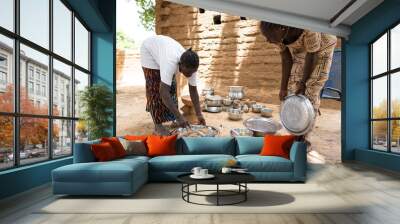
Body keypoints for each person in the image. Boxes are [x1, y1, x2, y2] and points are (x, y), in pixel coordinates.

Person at [259, 21, 337, 146]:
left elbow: (312, 56)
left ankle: (303, 138)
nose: (267, 40)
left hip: (321, 50)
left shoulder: (309, 28)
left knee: (310, 89)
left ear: (281, 28)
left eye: (268, 36)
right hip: (301, 49)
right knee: (292, 86)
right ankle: (295, 130)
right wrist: (283, 88)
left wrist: (303, 83)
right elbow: (286, 59)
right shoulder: (278, 36)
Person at [140, 35, 206, 135]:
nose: (190, 75)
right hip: (149, 51)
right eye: (188, 72)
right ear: (180, 65)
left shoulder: (192, 65)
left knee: (172, 88)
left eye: (192, 72)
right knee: (155, 89)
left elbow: (193, 90)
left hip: (164, 49)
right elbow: (163, 92)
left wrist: (199, 114)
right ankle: (158, 126)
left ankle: (175, 118)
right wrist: (180, 116)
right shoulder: (170, 62)